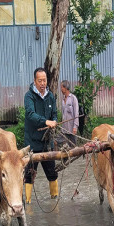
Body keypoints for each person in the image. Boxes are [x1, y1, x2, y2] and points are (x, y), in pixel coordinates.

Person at [24, 67, 59, 203]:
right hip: (32, 142)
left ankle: (55, 199)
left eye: (44, 80)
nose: (43, 83)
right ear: (34, 81)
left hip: (47, 142)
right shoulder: (29, 96)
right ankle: (27, 203)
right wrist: (46, 121)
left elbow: (54, 114)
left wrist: (54, 121)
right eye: (40, 81)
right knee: (29, 174)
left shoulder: (50, 96)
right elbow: (30, 114)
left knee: (52, 172)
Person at [60, 80, 79, 146]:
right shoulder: (62, 100)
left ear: (65, 88)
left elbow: (76, 114)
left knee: (73, 146)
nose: (61, 89)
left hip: (71, 128)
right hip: (64, 129)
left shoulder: (73, 98)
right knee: (65, 147)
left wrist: (75, 127)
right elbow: (63, 114)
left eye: (61, 87)